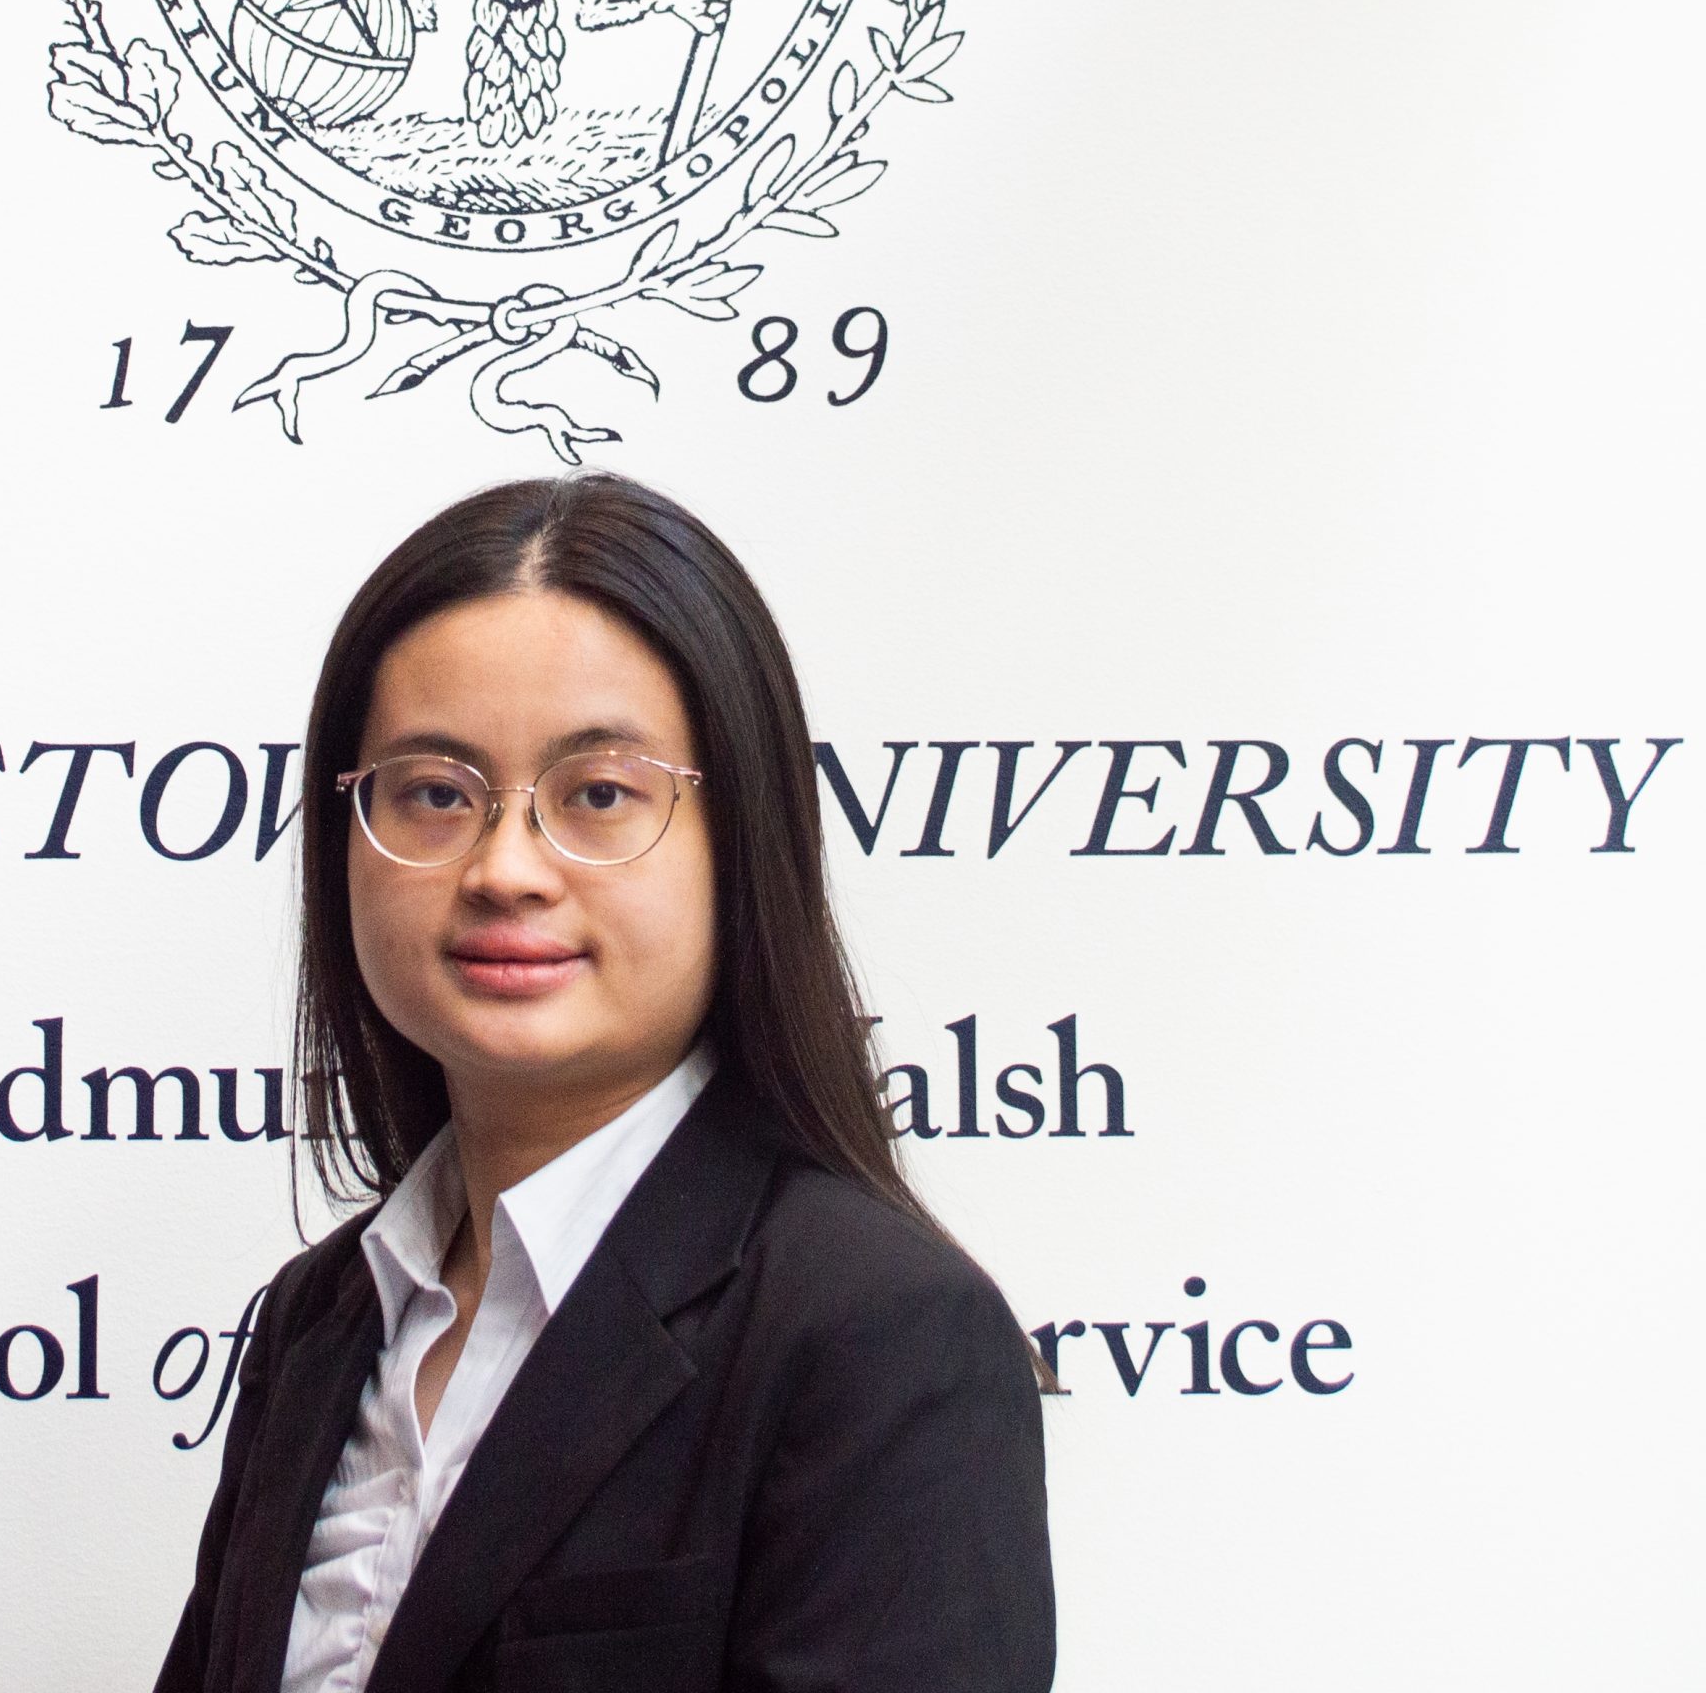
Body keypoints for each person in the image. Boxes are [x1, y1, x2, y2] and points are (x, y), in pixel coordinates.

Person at [155, 475, 1053, 1693]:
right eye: (434, 793)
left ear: (741, 840)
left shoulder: (875, 1331)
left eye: (598, 794)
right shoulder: (319, 1319)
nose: (505, 868)